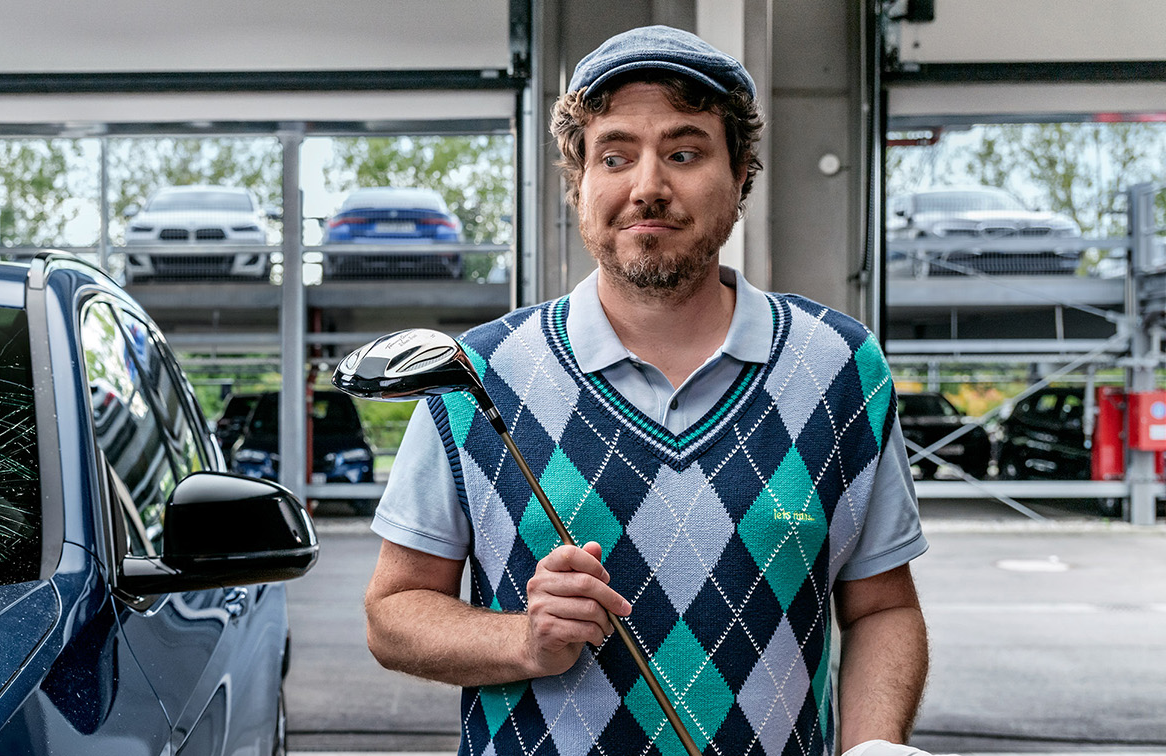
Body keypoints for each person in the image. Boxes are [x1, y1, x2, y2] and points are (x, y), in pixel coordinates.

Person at [364, 25, 929, 756]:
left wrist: (873, 748)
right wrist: (522, 641)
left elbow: (883, 607)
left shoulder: (841, 368)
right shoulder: (476, 374)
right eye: (616, 155)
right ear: (580, 182)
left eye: (685, 152)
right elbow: (393, 613)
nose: (648, 187)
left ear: (741, 175)